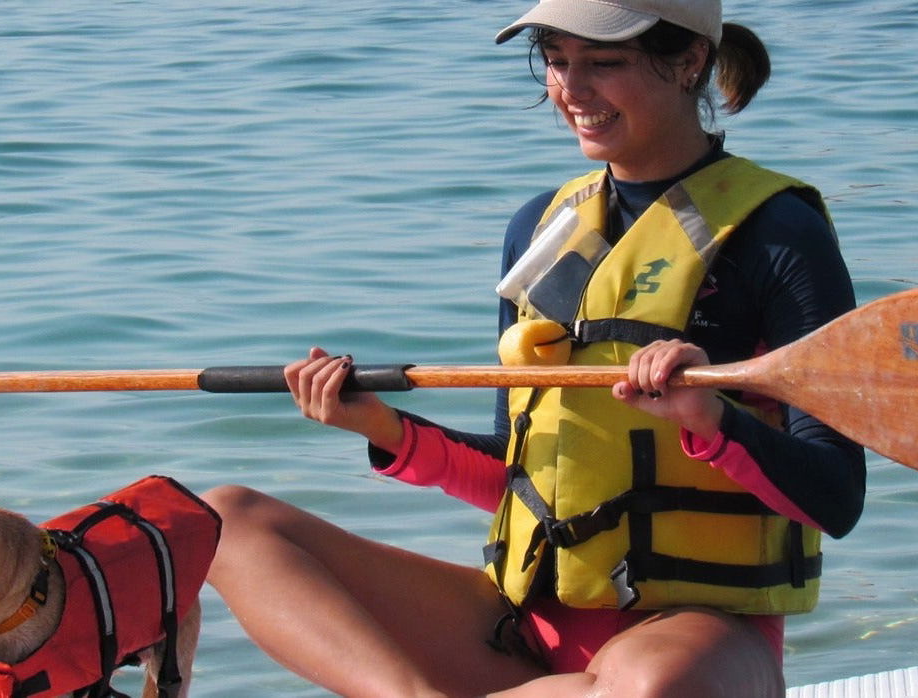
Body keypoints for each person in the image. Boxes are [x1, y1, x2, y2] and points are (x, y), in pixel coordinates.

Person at [202, 0, 866, 695]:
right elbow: (516, 474)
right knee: (228, 520)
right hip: (520, 629)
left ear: (690, 61)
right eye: (555, 60)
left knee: (649, 687)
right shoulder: (539, 230)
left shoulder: (780, 235)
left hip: (693, 639)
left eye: (604, 63)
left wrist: (713, 420)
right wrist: (385, 430)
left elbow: (835, 495)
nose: (571, 90)